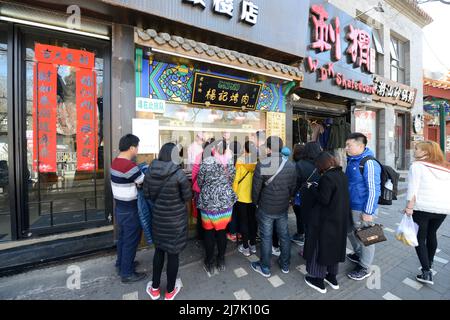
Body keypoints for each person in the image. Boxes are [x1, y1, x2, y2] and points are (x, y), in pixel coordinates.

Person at [143, 143, 192, 300]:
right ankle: (170, 291)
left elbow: (147, 195)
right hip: (176, 221)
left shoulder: (150, 171)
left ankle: (155, 289)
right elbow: (187, 197)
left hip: (158, 219)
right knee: (173, 254)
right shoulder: (179, 174)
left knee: (159, 252)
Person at [303, 152, 352, 293]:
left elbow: (323, 199)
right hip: (339, 219)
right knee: (334, 248)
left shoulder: (327, 178)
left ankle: (318, 281)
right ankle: (332, 277)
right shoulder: (341, 175)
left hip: (325, 221)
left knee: (320, 248)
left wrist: (312, 188)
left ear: (321, 164)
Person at [404, 141, 450, 285]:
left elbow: (413, 189)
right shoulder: (446, 168)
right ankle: (429, 263)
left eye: (417, 148)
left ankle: (426, 272)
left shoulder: (417, 166)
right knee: (432, 234)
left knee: (419, 238)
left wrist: (409, 207)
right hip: (442, 209)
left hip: (422, 208)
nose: (414, 150)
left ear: (426, 152)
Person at [251, 136, 296, 277]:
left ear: (269, 148)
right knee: (284, 235)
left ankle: (265, 267)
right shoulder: (290, 165)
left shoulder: (263, 164)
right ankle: (285, 264)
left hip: (266, 208)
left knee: (266, 237)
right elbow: (293, 188)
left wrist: (256, 203)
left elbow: (256, 189)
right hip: (282, 208)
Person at [197, 140, 238, 273]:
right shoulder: (229, 162)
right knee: (221, 232)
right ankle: (221, 259)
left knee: (208, 232)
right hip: (225, 202)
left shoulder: (207, 162)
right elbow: (231, 180)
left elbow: (199, 182)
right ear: (225, 149)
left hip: (208, 201)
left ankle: (209, 261)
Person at [345, 132, 381, 281]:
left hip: (363, 208)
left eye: (349, 145)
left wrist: (368, 211)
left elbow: (374, 189)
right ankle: (359, 254)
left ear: (361, 146)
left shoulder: (369, 162)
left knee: (369, 237)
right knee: (350, 232)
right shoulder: (352, 160)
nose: (346, 147)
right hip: (351, 206)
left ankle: (365, 267)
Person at [111, 134, 147, 283]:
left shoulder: (116, 162)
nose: (137, 150)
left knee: (123, 238)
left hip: (120, 206)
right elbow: (142, 182)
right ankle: (127, 273)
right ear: (132, 147)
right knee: (131, 240)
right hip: (130, 208)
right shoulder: (128, 165)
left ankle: (121, 264)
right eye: (137, 147)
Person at [292, 142, 322, 246]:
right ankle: (364, 258)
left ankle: (365, 261)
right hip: (319, 197)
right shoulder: (323, 163)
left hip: (303, 198)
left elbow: (295, 183)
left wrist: (292, 195)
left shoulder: (300, 164)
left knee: (365, 230)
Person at [233, 141, 258, 256]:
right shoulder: (257, 162)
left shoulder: (240, 160)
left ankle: (245, 247)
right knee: (252, 220)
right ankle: (253, 245)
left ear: (245, 149)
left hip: (241, 196)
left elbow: (236, 179)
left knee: (243, 221)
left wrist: (233, 193)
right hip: (253, 196)